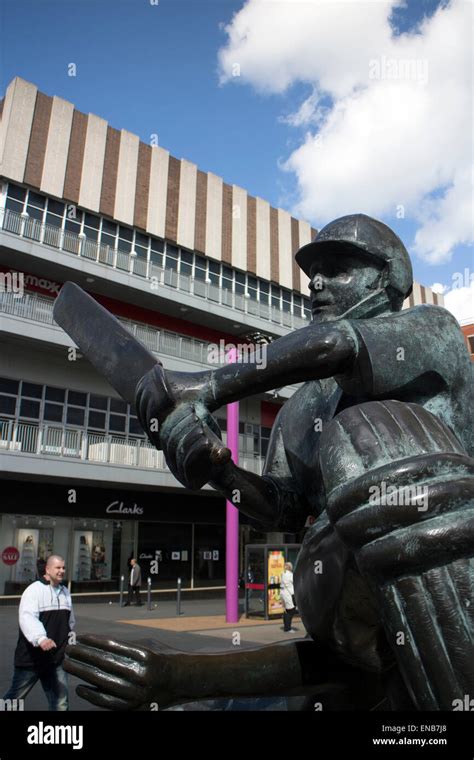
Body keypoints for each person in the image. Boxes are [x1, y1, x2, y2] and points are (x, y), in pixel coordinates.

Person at [64, 214, 473, 711]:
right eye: (311, 275)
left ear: (392, 279)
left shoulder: (431, 333)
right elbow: (282, 510)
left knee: (366, 435)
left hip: (450, 580)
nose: (316, 283)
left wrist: (206, 385)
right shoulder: (301, 409)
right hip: (348, 615)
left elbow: (337, 344)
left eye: (338, 268)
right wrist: (220, 470)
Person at [3, 555, 75, 711]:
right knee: (13, 700)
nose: (62, 571)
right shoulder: (33, 590)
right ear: (47, 569)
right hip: (31, 659)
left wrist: (71, 642)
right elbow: (27, 618)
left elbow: (70, 622)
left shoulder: (65, 592)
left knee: (61, 703)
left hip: (56, 659)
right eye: (58, 567)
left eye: (63, 567)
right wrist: (41, 638)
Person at [280, 562, 296, 632]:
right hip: (288, 594)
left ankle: (286, 626)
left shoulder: (283, 574)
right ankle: (287, 628)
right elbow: (295, 582)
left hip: (283, 593)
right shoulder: (290, 575)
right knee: (291, 610)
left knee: (286, 610)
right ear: (290, 567)